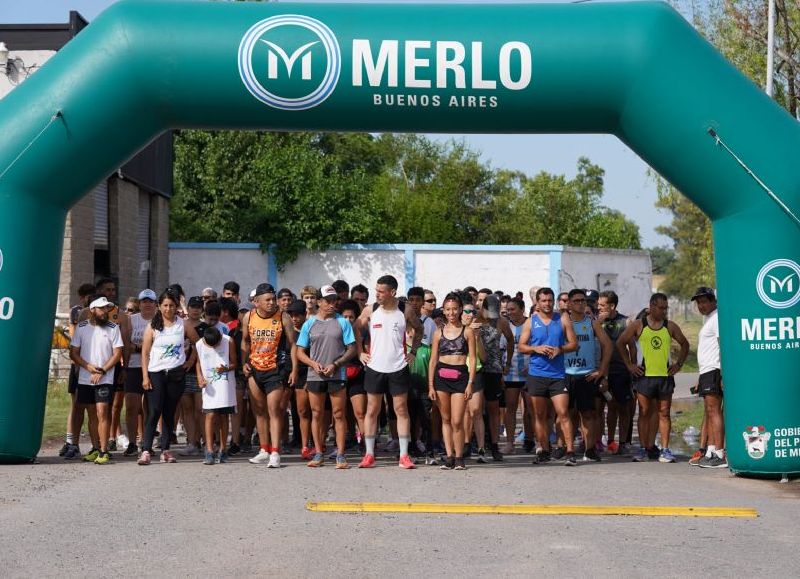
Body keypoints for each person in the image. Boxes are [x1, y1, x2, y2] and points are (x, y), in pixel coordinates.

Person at [355, 275, 424, 469]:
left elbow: (418, 329)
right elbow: (356, 328)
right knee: (372, 410)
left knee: (401, 410)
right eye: (376, 290)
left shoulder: (405, 310)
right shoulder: (371, 309)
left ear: (392, 292)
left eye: (381, 291)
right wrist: (360, 352)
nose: (377, 294)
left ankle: (404, 455)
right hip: (375, 367)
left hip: (398, 367)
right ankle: (369, 454)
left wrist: (413, 352)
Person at [616, 293, 690, 463]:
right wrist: (629, 365)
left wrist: (678, 364)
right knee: (644, 412)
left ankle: (665, 450)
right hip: (644, 377)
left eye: (666, 308)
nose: (664, 311)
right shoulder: (638, 325)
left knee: (664, 413)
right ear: (651, 306)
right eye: (661, 307)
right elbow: (621, 342)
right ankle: (643, 449)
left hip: (664, 376)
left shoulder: (670, 326)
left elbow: (685, 344)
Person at [296, 285, 357, 469]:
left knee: (339, 414)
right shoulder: (309, 323)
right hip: (315, 376)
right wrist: (313, 364)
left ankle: (340, 454)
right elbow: (300, 352)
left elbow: (352, 348)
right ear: (319, 302)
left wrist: (336, 364)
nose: (332, 304)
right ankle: (319, 452)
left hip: (337, 374)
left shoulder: (342, 322)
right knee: (317, 414)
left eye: (334, 301)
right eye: (328, 301)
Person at [138, 289, 200, 465]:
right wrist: (145, 376)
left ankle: (165, 450)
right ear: (159, 306)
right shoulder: (153, 326)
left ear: (176, 306)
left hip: (176, 374)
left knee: (169, 412)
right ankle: (146, 450)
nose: (168, 309)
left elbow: (198, 344)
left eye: (171, 305)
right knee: (154, 410)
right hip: (156, 373)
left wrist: (190, 362)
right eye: (165, 305)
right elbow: (145, 353)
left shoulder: (184, 324)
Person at [518, 287, 579, 465]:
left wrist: (560, 349)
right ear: (537, 302)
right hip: (537, 374)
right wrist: (535, 348)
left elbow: (574, 344)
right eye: (544, 301)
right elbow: (521, 346)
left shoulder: (562, 318)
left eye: (550, 300)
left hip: (558, 374)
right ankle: (544, 449)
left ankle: (569, 451)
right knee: (539, 415)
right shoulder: (531, 321)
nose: (547, 304)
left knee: (563, 413)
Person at [241, 283, 297, 468]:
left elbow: (293, 345)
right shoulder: (249, 317)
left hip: (275, 369)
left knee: (274, 410)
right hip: (255, 369)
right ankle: (264, 449)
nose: (272, 303)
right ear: (256, 302)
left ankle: (275, 452)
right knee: (259, 410)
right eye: (268, 300)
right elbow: (245, 341)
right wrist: (244, 363)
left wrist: (294, 369)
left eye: (273, 299)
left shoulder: (283, 317)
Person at [68, 296, 124, 464]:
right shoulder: (82, 328)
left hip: (105, 378)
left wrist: (102, 370)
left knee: (102, 412)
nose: (104, 311)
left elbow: (117, 354)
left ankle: (104, 450)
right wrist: (88, 367)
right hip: (85, 378)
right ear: (92, 310)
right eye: (101, 308)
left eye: (106, 308)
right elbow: (73, 352)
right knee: (91, 413)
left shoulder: (113, 328)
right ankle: (95, 447)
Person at [428, 292, 477, 470]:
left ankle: (459, 456)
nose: (451, 313)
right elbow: (433, 360)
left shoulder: (468, 332)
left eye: (454, 309)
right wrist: (431, 385)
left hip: (460, 378)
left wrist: (471, 383)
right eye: (448, 309)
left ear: (460, 310)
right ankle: (448, 456)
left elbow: (472, 359)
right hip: (441, 377)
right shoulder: (438, 333)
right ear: (443, 310)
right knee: (445, 419)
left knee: (457, 421)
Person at [563, 289, 613, 462]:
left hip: (587, 375)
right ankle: (564, 448)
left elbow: (608, 346)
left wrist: (601, 371)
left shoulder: (591, 322)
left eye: (583, 300)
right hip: (566, 374)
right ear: (569, 304)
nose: (581, 303)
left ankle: (590, 449)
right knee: (567, 413)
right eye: (576, 301)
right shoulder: (563, 322)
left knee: (588, 414)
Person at [475, 294, 514, 461]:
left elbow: (511, 341)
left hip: (494, 369)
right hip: (476, 368)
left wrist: (507, 363)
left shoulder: (501, 322)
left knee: (493, 408)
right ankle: (477, 444)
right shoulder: (475, 320)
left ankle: (495, 444)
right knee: (476, 408)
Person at [691, 287, 726, 469]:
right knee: (709, 411)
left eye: (704, 301)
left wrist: (723, 373)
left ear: (713, 301)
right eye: (698, 303)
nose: (701, 305)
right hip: (706, 371)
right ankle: (711, 450)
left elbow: (722, 345)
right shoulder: (708, 319)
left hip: (715, 370)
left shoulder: (717, 318)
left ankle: (720, 453)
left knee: (714, 411)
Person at [597, 290, 635, 455]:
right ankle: (610, 441)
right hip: (602, 371)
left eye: (602, 305)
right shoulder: (596, 322)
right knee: (609, 407)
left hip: (621, 371)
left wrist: (632, 367)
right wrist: (598, 322)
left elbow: (632, 347)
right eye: (598, 305)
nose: (599, 308)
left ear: (612, 306)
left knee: (624, 408)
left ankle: (624, 442)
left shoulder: (625, 322)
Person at [60, 282, 95, 459]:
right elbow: (75, 338)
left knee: (90, 407)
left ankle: (91, 443)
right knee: (76, 405)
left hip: (93, 365)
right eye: (88, 296)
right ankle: (71, 442)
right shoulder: (77, 311)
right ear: (83, 297)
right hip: (79, 365)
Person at [121, 289, 157, 456]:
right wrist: (125, 367)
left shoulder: (159, 321)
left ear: (155, 304)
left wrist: (140, 347)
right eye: (144, 301)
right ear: (140, 304)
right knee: (131, 407)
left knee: (150, 408)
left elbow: (158, 346)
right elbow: (127, 344)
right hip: (134, 366)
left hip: (153, 367)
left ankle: (147, 442)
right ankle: (132, 442)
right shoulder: (131, 320)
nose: (147, 304)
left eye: (150, 301)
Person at [196, 326, 238, 465]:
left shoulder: (228, 341)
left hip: (225, 385)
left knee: (223, 416)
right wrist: (199, 377)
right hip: (209, 386)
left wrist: (226, 368)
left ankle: (223, 449)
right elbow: (198, 362)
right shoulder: (199, 344)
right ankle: (209, 450)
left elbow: (235, 363)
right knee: (210, 415)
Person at [501, 297, 529, 455]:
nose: (509, 312)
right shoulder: (505, 325)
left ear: (522, 308)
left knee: (531, 410)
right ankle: (510, 443)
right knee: (510, 408)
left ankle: (532, 440)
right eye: (508, 310)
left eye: (513, 309)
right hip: (510, 373)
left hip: (530, 372)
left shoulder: (530, 323)